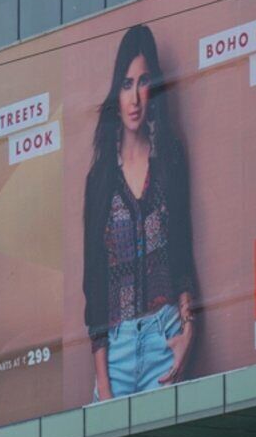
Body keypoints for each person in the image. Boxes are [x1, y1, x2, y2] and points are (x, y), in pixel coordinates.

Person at [81, 25, 196, 403]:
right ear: (117, 91)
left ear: (153, 89)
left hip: (164, 337)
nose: (134, 97)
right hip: (116, 349)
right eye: (127, 83)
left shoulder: (170, 159)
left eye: (143, 82)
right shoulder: (99, 180)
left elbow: (183, 252)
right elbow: (93, 285)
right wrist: (105, 383)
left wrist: (187, 333)